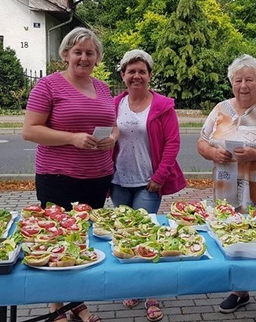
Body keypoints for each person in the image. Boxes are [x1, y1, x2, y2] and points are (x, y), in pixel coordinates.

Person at [22, 27, 117, 322]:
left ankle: (78, 302)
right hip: (59, 178)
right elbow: (30, 131)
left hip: (97, 178)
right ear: (65, 54)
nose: (84, 58)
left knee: (84, 241)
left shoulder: (102, 88)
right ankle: (55, 306)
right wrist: (72, 138)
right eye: (78, 52)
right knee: (58, 239)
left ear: (97, 57)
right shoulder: (48, 86)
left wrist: (113, 137)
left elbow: (113, 125)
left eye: (90, 53)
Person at [197, 54, 256, 322]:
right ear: (231, 83)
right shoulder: (220, 110)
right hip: (226, 189)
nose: (243, 85)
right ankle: (240, 290)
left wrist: (255, 154)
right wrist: (213, 154)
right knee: (232, 237)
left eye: (249, 79)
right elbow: (202, 143)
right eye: (238, 80)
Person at [111, 49, 186, 322]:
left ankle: (151, 294)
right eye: (131, 71)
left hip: (148, 182)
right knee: (124, 234)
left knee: (147, 234)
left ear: (150, 75)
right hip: (118, 181)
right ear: (123, 76)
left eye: (142, 71)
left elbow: (172, 144)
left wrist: (160, 177)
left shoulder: (163, 106)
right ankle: (134, 286)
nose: (136, 76)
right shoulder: (114, 104)